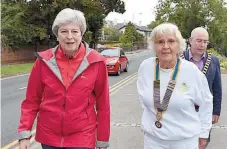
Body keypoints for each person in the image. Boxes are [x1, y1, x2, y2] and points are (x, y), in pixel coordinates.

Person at [18, 8, 110, 149]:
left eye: (74, 31)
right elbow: (31, 101)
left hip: (82, 137)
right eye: (64, 31)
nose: (69, 36)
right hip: (49, 138)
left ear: (81, 34)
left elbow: (103, 105)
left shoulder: (96, 61)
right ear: (57, 35)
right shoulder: (43, 61)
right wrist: (25, 134)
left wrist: (102, 140)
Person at [137, 23, 213, 149]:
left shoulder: (191, 71)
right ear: (154, 46)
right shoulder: (145, 67)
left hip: (184, 141)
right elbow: (142, 97)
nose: (165, 46)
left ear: (179, 45)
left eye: (171, 41)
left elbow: (206, 103)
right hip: (153, 140)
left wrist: (204, 134)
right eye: (160, 42)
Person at [181, 27, 222, 147]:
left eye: (205, 42)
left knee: (202, 143)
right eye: (199, 41)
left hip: (204, 112)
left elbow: (217, 88)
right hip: (183, 111)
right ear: (190, 40)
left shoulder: (213, 60)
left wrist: (216, 111)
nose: (202, 45)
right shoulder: (179, 58)